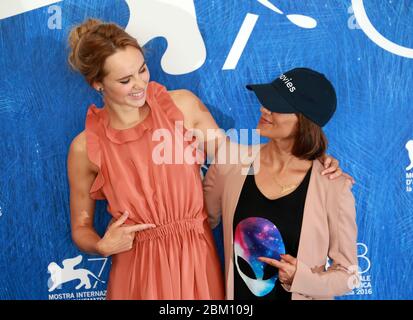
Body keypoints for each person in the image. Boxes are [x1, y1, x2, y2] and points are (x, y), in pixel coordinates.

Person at [66, 18, 225, 299]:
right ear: (97, 84)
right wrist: (102, 246)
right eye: (125, 80)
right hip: (136, 268)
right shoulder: (84, 148)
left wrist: (311, 162)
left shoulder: (182, 106)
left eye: (142, 70)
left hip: (197, 257)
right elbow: (81, 227)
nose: (140, 84)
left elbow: (235, 162)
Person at [203, 68, 359, 300]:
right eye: (266, 101)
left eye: (277, 105)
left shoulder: (333, 186)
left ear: (304, 121)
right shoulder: (231, 162)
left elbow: (349, 275)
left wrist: (301, 278)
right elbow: (195, 221)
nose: (264, 109)